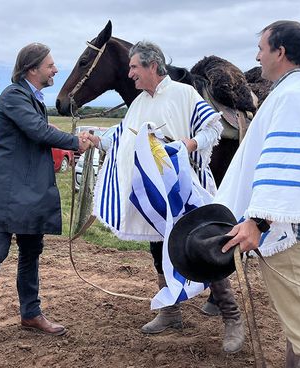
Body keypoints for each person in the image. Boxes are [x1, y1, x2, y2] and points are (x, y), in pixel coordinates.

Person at [94, 41, 245, 353]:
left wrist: (185, 146)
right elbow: (122, 136)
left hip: (186, 190)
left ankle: (232, 316)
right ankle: (171, 311)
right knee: (158, 248)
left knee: (203, 249)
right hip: (155, 196)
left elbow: (211, 130)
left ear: (152, 66)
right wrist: (95, 140)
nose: (130, 73)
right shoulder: (138, 103)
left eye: (135, 67)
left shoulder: (184, 93)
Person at [216, 21, 300, 367]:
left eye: (261, 48)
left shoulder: (293, 95)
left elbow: (285, 166)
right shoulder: (296, 92)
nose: (257, 56)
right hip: (287, 228)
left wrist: (257, 221)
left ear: (280, 52)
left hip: (286, 234)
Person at [0, 43, 97, 344]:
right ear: (32, 69)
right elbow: (39, 131)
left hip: (29, 190)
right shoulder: (13, 96)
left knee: (31, 252)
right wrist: (75, 141)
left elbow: (37, 137)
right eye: (50, 65)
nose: (56, 70)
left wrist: (70, 144)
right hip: (8, 191)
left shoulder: (31, 98)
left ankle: (30, 313)